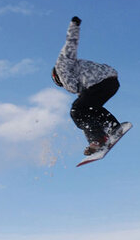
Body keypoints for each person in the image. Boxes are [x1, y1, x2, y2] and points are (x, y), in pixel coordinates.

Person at [51, 16, 122, 155]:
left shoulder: (62, 63)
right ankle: (112, 128)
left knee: (77, 110)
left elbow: (71, 43)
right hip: (111, 82)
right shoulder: (79, 84)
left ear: (57, 78)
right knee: (89, 109)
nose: (65, 87)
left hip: (100, 81)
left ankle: (99, 139)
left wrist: (74, 25)